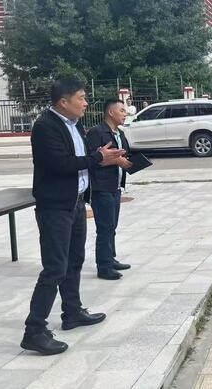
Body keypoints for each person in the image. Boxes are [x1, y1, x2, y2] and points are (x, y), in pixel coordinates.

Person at [21, 78, 126, 356]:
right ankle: (34, 330)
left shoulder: (75, 124)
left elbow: (83, 159)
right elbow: (60, 164)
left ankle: (72, 311)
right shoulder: (45, 127)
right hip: (56, 207)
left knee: (75, 261)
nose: (86, 103)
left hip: (76, 203)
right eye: (81, 98)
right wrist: (98, 158)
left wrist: (104, 158)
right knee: (55, 268)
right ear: (63, 102)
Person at [86, 99, 134, 280]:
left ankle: (110, 258)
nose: (125, 114)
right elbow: (92, 159)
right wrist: (116, 160)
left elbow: (125, 154)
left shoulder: (120, 133)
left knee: (112, 226)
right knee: (105, 228)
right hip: (101, 188)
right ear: (111, 112)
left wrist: (129, 162)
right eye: (122, 110)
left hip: (115, 186)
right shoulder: (97, 132)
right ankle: (104, 267)